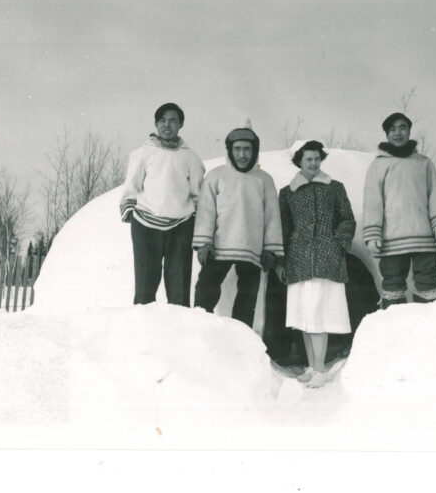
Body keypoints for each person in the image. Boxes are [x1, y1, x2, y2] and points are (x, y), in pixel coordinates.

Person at [278, 141, 356, 388]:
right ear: (299, 161)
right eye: (308, 159)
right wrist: (282, 259)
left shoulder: (335, 188)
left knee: (319, 316)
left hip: (326, 260)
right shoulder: (288, 193)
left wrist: (338, 244)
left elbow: (347, 219)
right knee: (304, 317)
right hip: (299, 260)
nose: (313, 163)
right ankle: (312, 368)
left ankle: (321, 370)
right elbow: (283, 227)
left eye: (316, 159)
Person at [192, 127, 284, 327]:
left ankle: (241, 343)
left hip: (251, 250)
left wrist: (270, 249)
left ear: (254, 151)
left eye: (247, 149)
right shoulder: (216, 176)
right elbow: (206, 212)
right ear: (230, 150)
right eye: (237, 149)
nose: (242, 154)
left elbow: (272, 217)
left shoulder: (264, 180)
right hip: (218, 248)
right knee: (204, 294)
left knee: (247, 300)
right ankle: (200, 332)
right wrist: (204, 243)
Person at [120, 102, 205, 306]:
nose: (167, 126)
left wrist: (194, 221)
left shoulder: (191, 158)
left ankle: (178, 334)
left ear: (181, 124)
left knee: (178, 289)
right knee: (145, 289)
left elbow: (197, 195)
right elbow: (131, 186)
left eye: (173, 121)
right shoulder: (142, 153)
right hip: (146, 226)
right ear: (156, 124)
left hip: (180, 227)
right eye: (163, 121)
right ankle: (143, 333)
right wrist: (131, 212)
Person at [362, 113, 436, 308]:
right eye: (392, 129)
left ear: (409, 131)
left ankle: (430, 327)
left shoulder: (424, 163)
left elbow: (435, 196)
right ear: (386, 134)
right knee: (393, 283)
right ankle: (396, 330)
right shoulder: (379, 165)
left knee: (428, 282)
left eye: (402, 128)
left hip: (423, 236)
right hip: (392, 238)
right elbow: (373, 202)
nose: (398, 133)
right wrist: (373, 233)